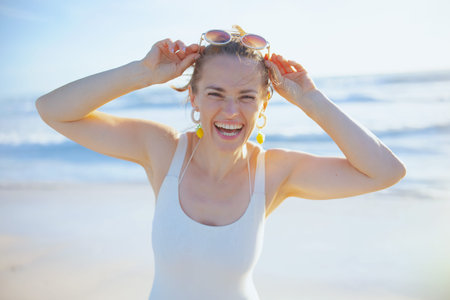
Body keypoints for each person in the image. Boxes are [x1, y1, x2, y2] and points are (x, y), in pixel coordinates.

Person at [36, 25, 406, 300]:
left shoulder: (274, 171)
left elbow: (386, 172)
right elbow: (53, 111)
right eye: (215, 93)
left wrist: (311, 99)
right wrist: (142, 73)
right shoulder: (163, 150)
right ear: (194, 98)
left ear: (263, 106)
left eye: (247, 96)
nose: (231, 111)